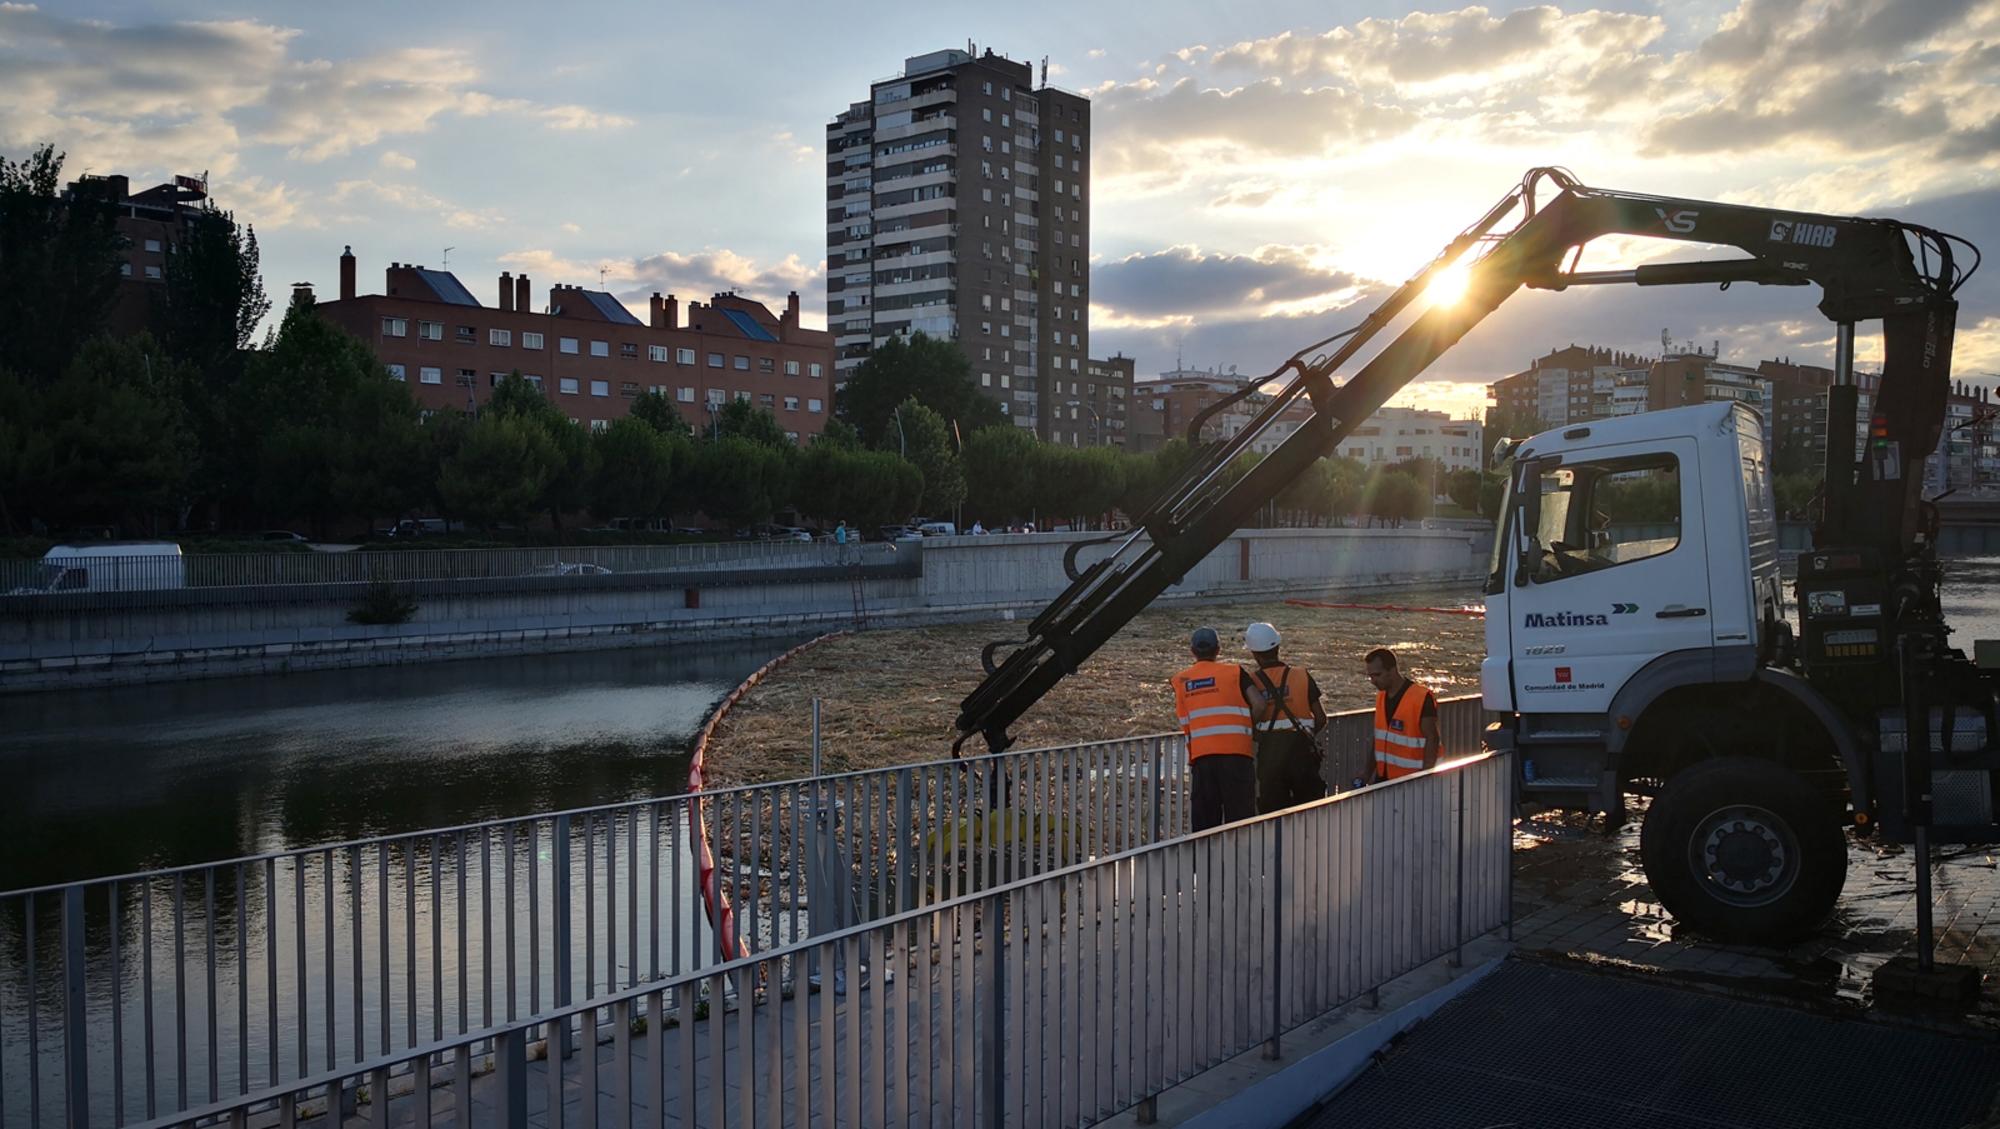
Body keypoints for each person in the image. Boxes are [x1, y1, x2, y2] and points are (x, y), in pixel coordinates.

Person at [1173, 626, 1260, 831]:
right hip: (1238, 755)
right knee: (1240, 823)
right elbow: (1259, 704)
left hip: (1203, 758)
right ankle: (1241, 861)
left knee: (1205, 826)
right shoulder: (1235, 672)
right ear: (1218, 649)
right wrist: (1247, 729)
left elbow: (1184, 718)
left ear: (1193, 651)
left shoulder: (1181, 680)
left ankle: (1205, 863)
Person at [1244, 622, 1329, 813]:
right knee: (1310, 810)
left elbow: (1249, 719)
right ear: (1278, 647)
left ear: (1254, 654)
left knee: (1272, 814)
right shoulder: (1301, 675)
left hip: (1270, 755)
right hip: (1302, 750)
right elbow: (1321, 718)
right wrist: (1307, 734)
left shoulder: (1251, 682)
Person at [1364, 647, 1439, 785]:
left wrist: (1426, 779)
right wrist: (1365, 775)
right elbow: (1379, 739)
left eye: (1377, 675)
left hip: (1412, 780)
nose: (1373, 681)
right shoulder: (1381, 696)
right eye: (1370, 676)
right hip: (1384, 779)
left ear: (1392, 671)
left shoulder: (1421, 697)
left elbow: (1432, 739)